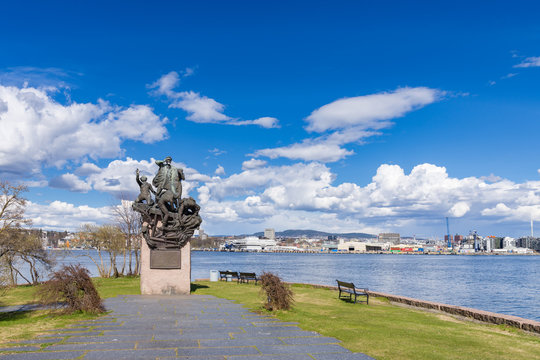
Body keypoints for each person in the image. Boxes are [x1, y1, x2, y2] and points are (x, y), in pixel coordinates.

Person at [152, 156, 185, 227]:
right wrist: (164, 161)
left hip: (168, 183)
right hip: (161, 181)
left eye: (170, 160)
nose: (169, 161)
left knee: (170, 193)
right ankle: (156, 204)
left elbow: (177, 176)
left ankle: (171, 207)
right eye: (168, 160)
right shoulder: (162, 165)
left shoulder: (173, 168)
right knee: (158, 192)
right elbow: (156, 162)